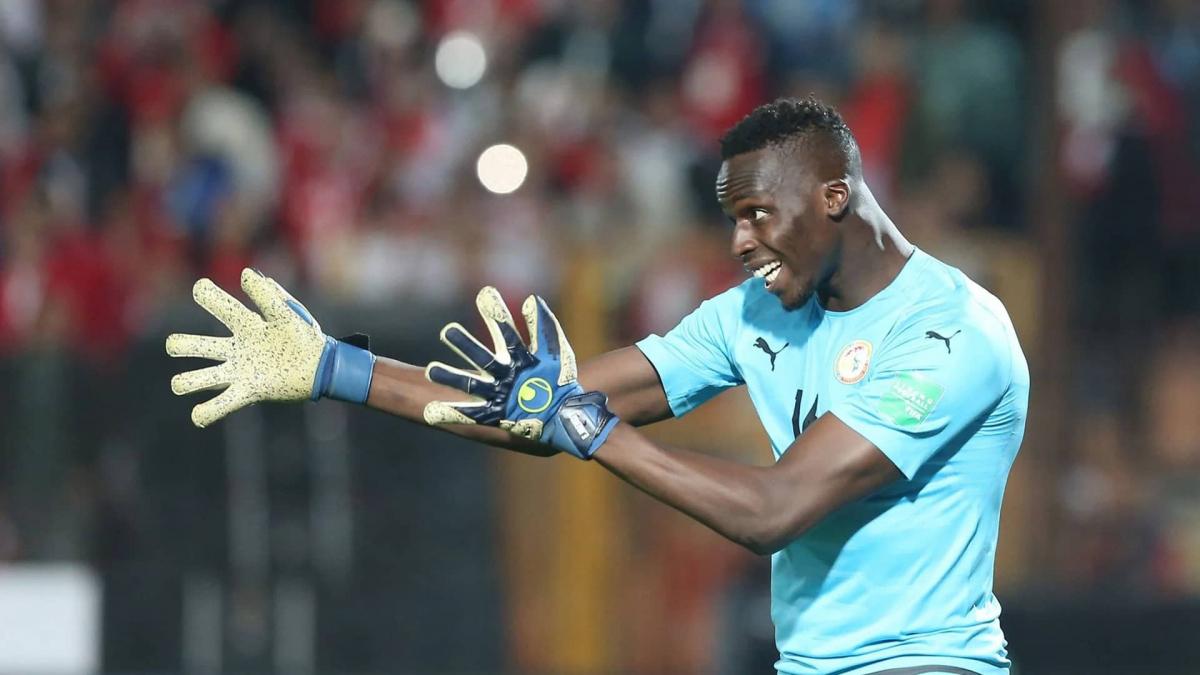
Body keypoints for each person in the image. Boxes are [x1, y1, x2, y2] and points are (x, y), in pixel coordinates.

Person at [166, 97, 1028, 675]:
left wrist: (588, 426)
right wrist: (336, 368)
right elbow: (537, 409)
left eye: (758, 214)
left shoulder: (954, 334)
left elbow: (776, 509)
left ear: (837, 196)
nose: (739, 242)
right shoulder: (754, 314)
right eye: (731, 218)